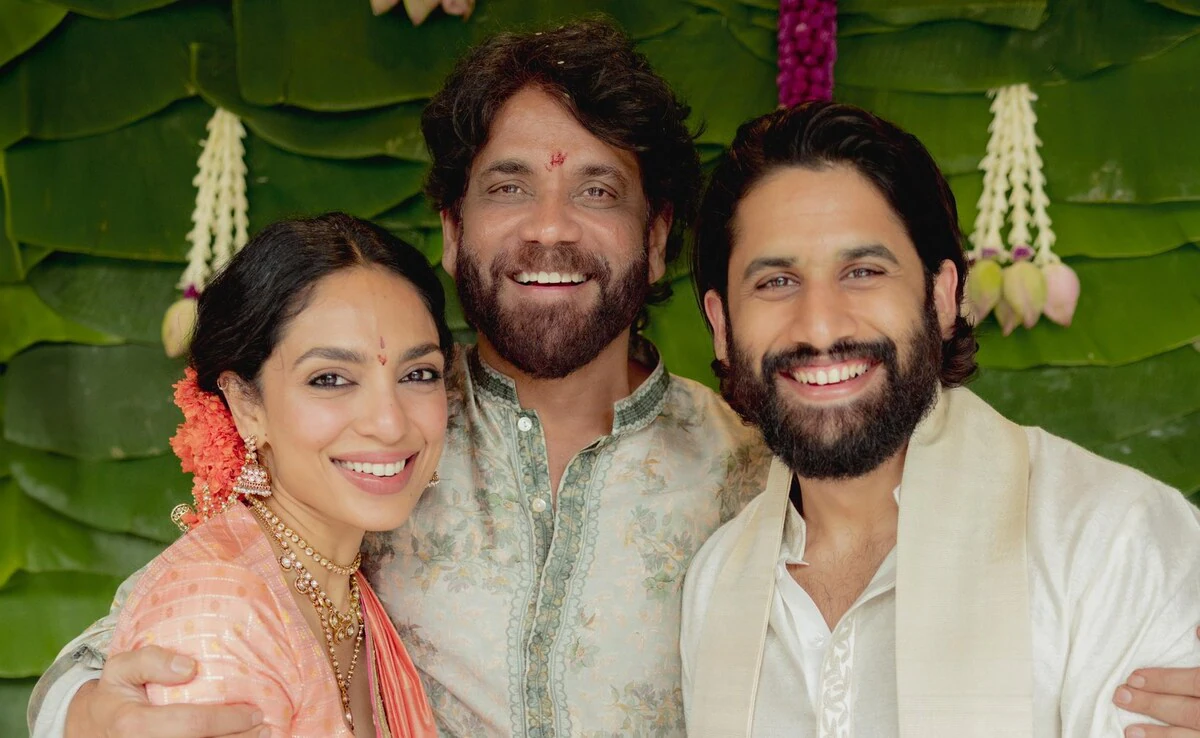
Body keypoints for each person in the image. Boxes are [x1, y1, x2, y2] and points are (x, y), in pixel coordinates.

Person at [26, 21, 1200, 738]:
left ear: (656, 240)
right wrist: (78, 713)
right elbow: (182, 613)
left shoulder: (759, 471)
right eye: (508, 188)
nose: (549, 228)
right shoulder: (382, 441)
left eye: (597, 189)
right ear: (451, 230)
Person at [681, 101, 1200, 737]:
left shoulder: (1112, 540)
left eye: (863, 272)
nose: (819, 326)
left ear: (943, 296)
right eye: (776, 282)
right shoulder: (716, 583)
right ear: (722, 326)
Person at [104, 212, 451, 737]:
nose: (389, 423)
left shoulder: (341, 581)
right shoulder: (222, 615)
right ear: (247, 405)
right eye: (330, 379)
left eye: (418, 374)